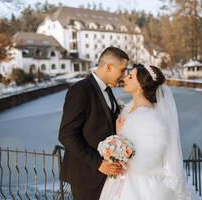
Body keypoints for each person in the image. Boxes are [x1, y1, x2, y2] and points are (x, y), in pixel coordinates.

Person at [99, 63, 194, 200]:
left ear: (140, 86)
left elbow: (147, 160)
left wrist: (119, 143)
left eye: (130, 77)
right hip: (122, 180)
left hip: (138, 185)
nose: (125, 78)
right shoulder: (129, 108)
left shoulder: (149, 118)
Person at [58, 47, 129, 200]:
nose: (124, 76)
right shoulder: (80, 90)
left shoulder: (108, 91)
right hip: (86, 176)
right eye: (122, 70)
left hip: (105, 177)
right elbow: (66, 135)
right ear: (109, 67)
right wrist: (99, 163)